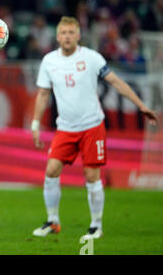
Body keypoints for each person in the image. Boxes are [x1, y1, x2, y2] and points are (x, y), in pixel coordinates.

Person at [31, 16, 158, 240]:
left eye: (72, 32)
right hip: (66, 128)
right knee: (51, 171)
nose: (68, 36)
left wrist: (141, 106)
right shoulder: (49, 61)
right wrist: (35, 124)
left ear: (79, 35)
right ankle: (53, 221)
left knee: (91, 176)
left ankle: (96, 225)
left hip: (91, 126)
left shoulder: (91, 58)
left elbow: (116, 82)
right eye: (64, 33)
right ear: (58, 36)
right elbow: (43, 94)